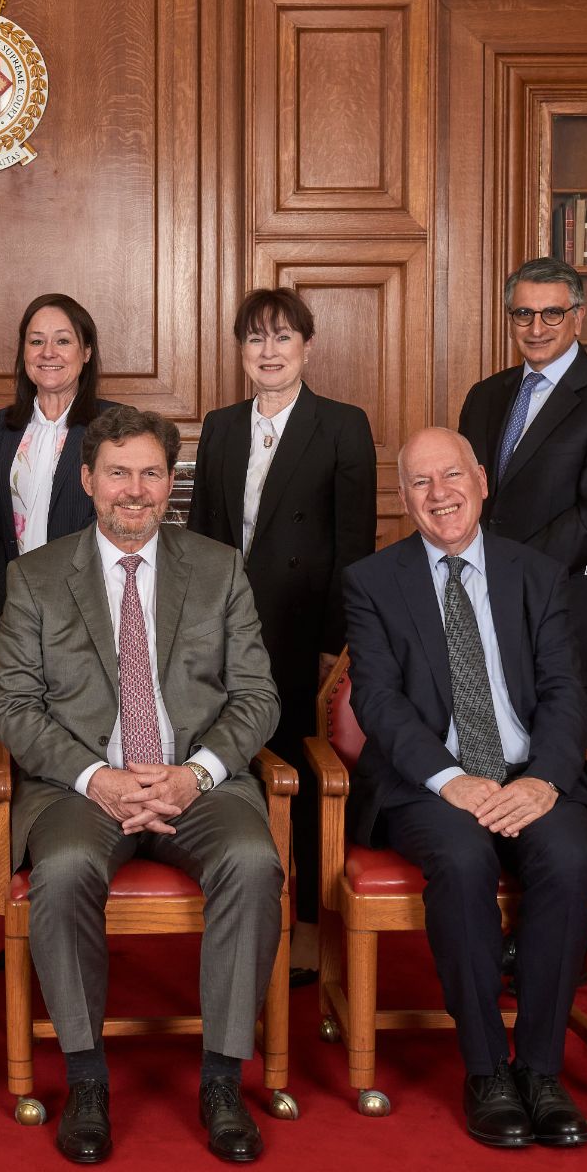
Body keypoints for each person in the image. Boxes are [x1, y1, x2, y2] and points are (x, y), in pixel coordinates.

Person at [0, 407, 285, 1166]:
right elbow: (13, 704)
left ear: (170, 486)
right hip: (81, 788)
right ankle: (87, 1077)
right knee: (60, 870)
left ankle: (221, 1078)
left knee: (253, 863)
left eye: (151, 473)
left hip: (199, 785)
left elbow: (257, 695)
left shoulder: (216, 568)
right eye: (118, 472)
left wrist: (196, 773)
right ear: (87, 480)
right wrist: (99, 778)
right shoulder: (37, 576)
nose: (134, 490)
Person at [340, 426, 587, 1151]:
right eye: (420, 484)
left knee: (571, 860)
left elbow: (565, 693)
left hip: (529, 776)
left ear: (481, 481)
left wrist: (547, 779)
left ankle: (542, 1073)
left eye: (451, 477)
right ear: (403, 499)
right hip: (431, 786)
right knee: (460, 861)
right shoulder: (373, 581)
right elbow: (380, 703)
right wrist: (452, 780)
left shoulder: (535, 574)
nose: (439, 495)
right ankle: (486, 1069)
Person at [187, 287, 375, 988]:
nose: (268, 352)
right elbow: (205, 532)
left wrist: (335, 640)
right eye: (255, 340)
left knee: (298, 768)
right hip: (225, 628)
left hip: (303, 632)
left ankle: (302, 930)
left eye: (282, 338)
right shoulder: (221, 425)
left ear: (307, 347)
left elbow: (353, 544)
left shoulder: (342, 425)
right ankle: (234, 909)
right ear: (241, 351)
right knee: (228, 766)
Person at [457, 257, 587, 755]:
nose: (536, 328)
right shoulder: (485, 396)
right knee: (494, 757)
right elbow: (466, 495)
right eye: (523, 314)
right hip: (485, 605)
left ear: (578, 317)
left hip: (569, 611)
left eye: (551, 314)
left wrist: (509, 576)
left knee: (569, 771)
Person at [0, 294, 121, 627]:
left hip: (93, 614)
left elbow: (121, 527)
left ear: (86, 352)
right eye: (36, 341)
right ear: (24, 351)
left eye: (63, 341)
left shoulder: (115, 425)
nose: (47, 352)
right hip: (13, 614)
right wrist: (9, 604)